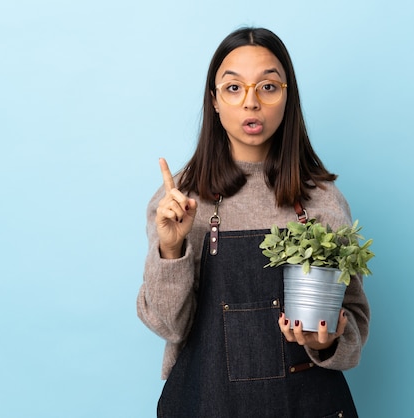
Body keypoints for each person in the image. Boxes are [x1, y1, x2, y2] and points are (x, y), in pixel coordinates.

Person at [137, 27, 370, 417]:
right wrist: (171, 249)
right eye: (233, 88)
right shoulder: (179, 203)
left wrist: (326, 341)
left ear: (287, 97)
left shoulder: (323, 200)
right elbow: (168, 327)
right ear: (213, 100)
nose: (251, 103)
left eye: (268, 86)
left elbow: (354, 325)